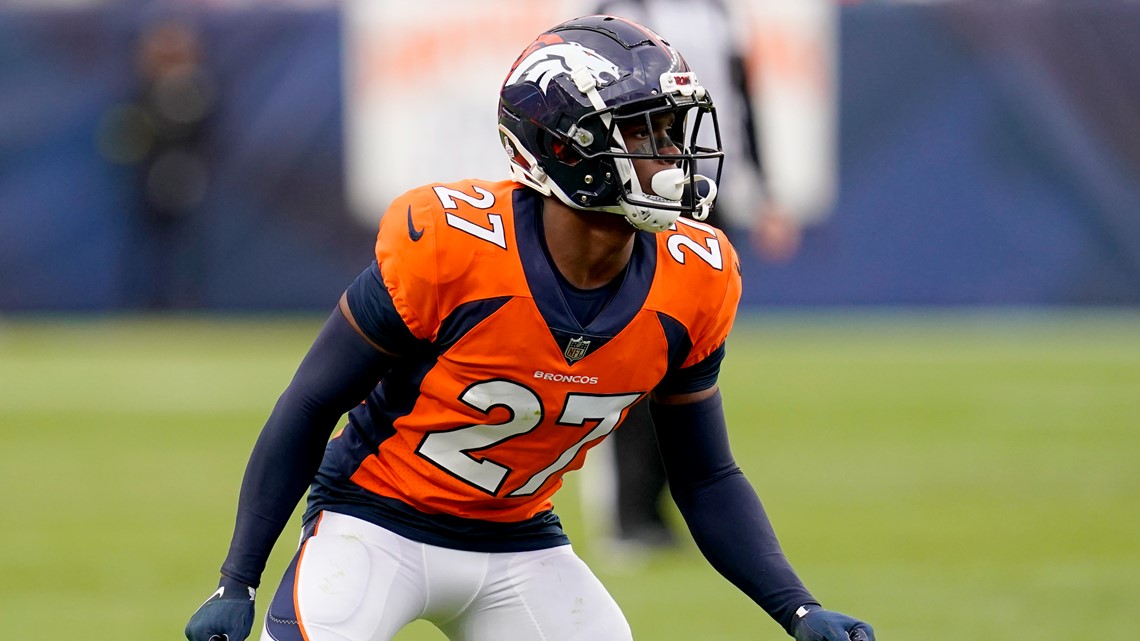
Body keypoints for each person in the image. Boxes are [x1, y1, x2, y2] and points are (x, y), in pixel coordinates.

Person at [184, 15, 873, 641]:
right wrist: (236, 577)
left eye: (670, 129)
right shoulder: (452, 248)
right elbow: (310, 402)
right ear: (562, 149)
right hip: (374, 524)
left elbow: (706, 475)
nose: (669, 154)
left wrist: (798, 608)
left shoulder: (696, 275)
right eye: (642, 131)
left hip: (520, 539)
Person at [588, 0, 801, 552]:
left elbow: (742, 102)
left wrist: (765, 188)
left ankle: (661, 509)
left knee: (688, 359)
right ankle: (628, 511)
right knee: (634, 353)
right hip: (637, 195)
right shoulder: (616, 10)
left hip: (705, 195)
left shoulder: (718, 13)